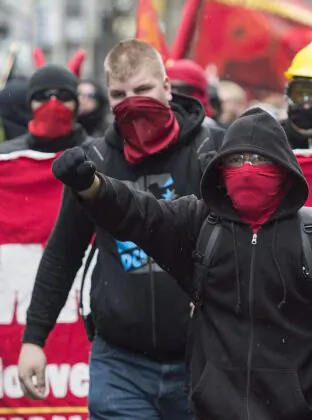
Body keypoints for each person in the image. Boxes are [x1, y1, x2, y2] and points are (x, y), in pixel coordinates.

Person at [50, 107, 312, 420]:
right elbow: (138, 212)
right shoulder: (198, 223)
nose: (247, 169)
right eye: (237, 159)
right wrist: (91, 186)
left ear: (282, 167)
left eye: (258, 159)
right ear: (220, 170)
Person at [17, 39, 224, 420]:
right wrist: (34, 338)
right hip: (121, 363)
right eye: (119, 93)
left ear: (166, 86)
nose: (132, 101)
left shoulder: (213, 151)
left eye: (143, 90)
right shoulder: (94, 161)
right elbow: (64, 252)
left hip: (205, 359)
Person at [0, 65, 87, 154]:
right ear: (30, 104)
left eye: (64, 96)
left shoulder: (96, 154)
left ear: (76, 105)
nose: (53, 103)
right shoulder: (7, 156)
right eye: (42, 97)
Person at [166, 59, 220, 130]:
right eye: (170, 87)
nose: (174, 93)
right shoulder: (160, 122)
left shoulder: (209, 128)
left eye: (182, 89)